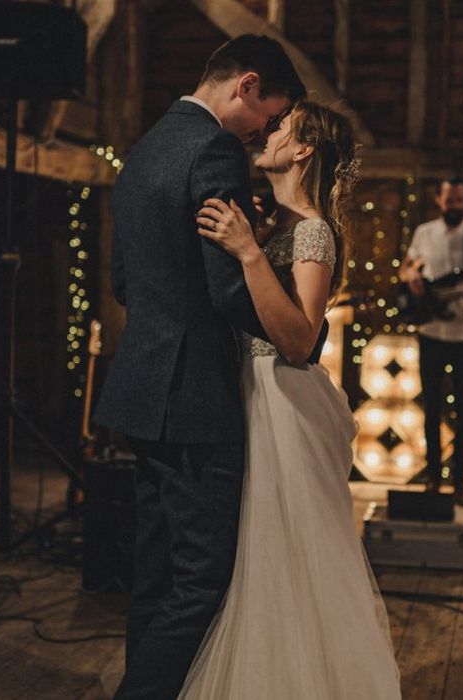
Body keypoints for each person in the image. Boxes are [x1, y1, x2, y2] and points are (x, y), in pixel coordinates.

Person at [93, 35, 318, 699]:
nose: (264, 131)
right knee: (200, 583)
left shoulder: (145, 147)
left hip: (139, 388)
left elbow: (122, 281)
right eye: (269, 115)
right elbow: (227, 291)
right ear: (247, 86)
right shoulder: (215, 147)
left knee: (155, 576)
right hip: (193, 396)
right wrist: (296, 334)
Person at [182, 101, 401, 699]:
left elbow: (301, 340)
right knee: (259, 554)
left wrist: (250, 254)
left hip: (284, 399)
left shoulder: (312, 231)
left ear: (303, 150)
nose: (267, 130)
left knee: (290, 552)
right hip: (253, 395)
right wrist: (256, 238)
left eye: (281, 127)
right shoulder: (278, 223)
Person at [398, 176, 463, 507]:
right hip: (431, 332)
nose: (454, 205)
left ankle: (460, 481)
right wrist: (412, 278)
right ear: (439, 200)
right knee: (432, 408)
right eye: (449, 199)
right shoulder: (424, 233)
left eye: (460, 200)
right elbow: (406, 270)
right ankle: (432, 477)